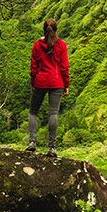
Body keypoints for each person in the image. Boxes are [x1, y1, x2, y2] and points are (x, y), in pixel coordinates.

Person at [27, 18, 69, 156]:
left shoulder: (37, 45)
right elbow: (64, 67)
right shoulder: (61, 45)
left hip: (40, 81)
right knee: (53, 113)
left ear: (44, 30)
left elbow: (33, 67)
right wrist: (66, 84)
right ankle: (52, 148)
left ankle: (32, 142)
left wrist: (33, 82)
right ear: (56, 30)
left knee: (33, 111)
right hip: (57, 82)